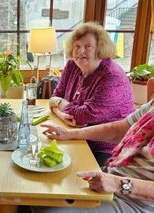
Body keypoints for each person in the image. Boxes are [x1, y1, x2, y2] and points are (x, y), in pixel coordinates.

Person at [37, 94, 154, 213]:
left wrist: (119, 184)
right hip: (112, 176)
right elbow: (117, 130)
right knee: (42, 189)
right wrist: (69, 133)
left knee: (48, 208)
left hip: (136, 203)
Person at [49, 22, 134, 166]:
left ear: (99, 49)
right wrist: (63, 115)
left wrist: (58, 103)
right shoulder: (72, 66)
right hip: (75, 135)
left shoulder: (111, 76)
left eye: (88, 46)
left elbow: (82, 116)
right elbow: (55, 95)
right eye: (77, 46)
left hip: (105, 147)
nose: (80, 51)